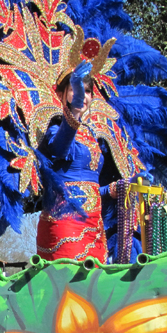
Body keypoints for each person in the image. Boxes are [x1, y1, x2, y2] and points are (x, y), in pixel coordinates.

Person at [36, 62, 126, 261]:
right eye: (75, 90)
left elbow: (88, 188)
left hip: (94, 224)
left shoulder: (93, 135)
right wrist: (74, 112)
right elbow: (60, 149)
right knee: (67, 286)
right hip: (64, 222)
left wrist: (111, 189)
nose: (82, 96)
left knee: (94, 287)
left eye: (86, 91)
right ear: (64, 94)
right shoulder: (55, 128)